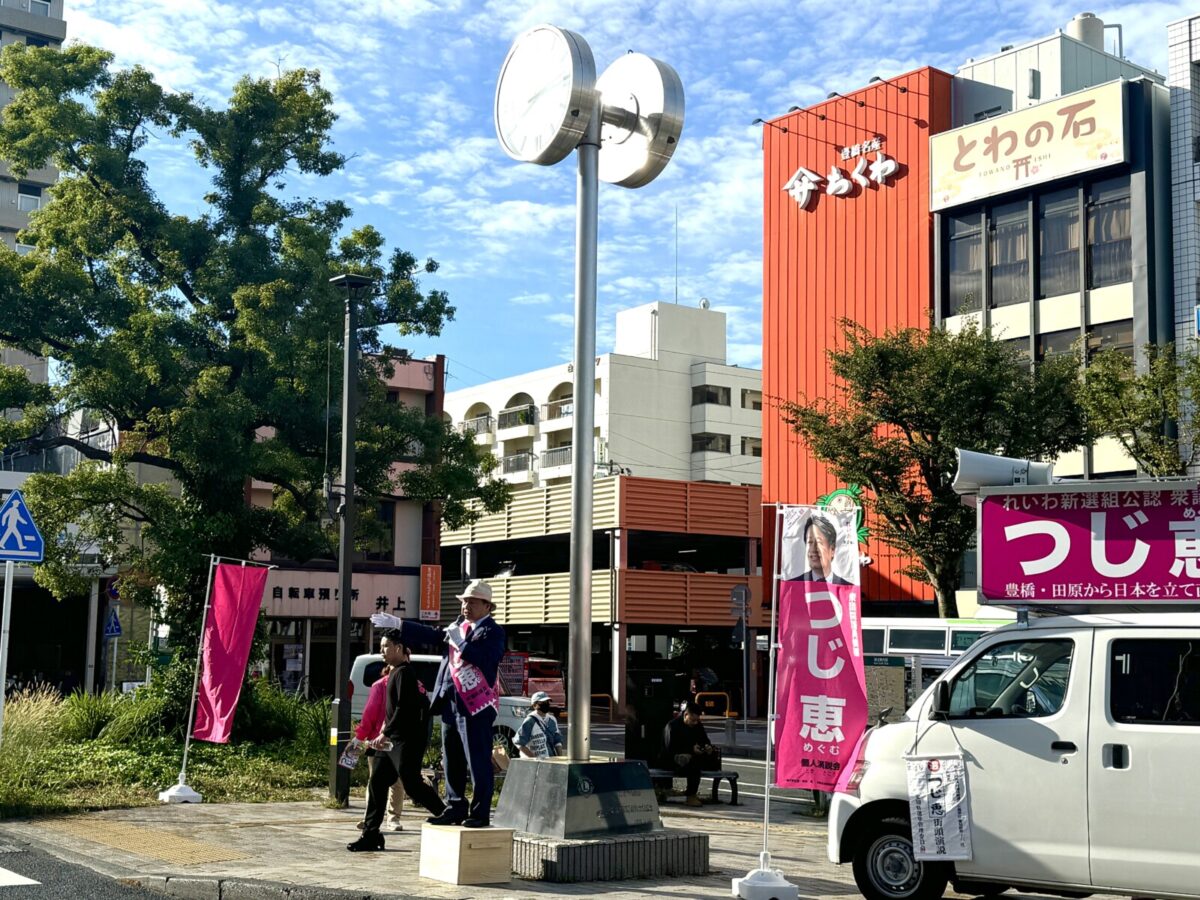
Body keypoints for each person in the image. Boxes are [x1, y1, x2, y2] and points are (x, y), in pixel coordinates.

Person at [371, 578, 506, 828]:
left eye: (473, 602)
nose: (466, 606)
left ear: (488, 606)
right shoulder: (458, 625)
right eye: (464, 601)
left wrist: (462, 644)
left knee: (477, 760)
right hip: (449, 700)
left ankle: (479, 813)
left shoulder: (493, 632)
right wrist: (399, 624)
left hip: (475, 703)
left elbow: (487, 661)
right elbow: (433, 636)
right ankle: (454, 806)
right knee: (451, 758)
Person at [347, 632, 445, 852]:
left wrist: (386, 732)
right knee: (377, 782)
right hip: (390, 741)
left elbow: (403, 708)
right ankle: (371, 834)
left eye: (386, 646)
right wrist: (383, 731)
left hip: (405, 741)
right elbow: (391, 711)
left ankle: (445, 813)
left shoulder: (405, 674)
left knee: (411, 783)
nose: (382, 650)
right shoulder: (393, 673)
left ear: (399, 648)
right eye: (381, 646)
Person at [352, 664, 406, 833]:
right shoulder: (379, 687)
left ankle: (393, 817)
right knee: (376, 781)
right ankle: (371, 817)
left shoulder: (412, 685)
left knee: (396, 782)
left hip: (398, 742)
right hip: (378, 742)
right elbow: (369, 715)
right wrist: (360, 737)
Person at [662, 701, 719, 807]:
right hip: (673, 759)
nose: (695, 723)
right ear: (686, 715)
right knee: (693, 763)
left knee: (705, 759)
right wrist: (690, 749)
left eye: (697, 720)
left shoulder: (698, 726)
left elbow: (705, 740)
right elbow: (670, 748)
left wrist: (707, 747)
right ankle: (691, 796)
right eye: (693, 720)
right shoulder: (672, 726)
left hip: (693, 756)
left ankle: (692, 794)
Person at [791, 512, 852, 585]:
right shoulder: (794, 585)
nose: (813, 549)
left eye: (819, 542)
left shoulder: (847, 588)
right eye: (810, 542)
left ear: (832, 549)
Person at [514, 691, 563, 759]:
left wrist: (560, 758)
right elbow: (519, 743)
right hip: (535, 764)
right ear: (534, 705)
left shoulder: (552, 720)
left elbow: (557, 741)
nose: (546, 704)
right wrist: (534, 759)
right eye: (542, 703)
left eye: (547, 702)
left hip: (550, 760)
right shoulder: (530, 721)